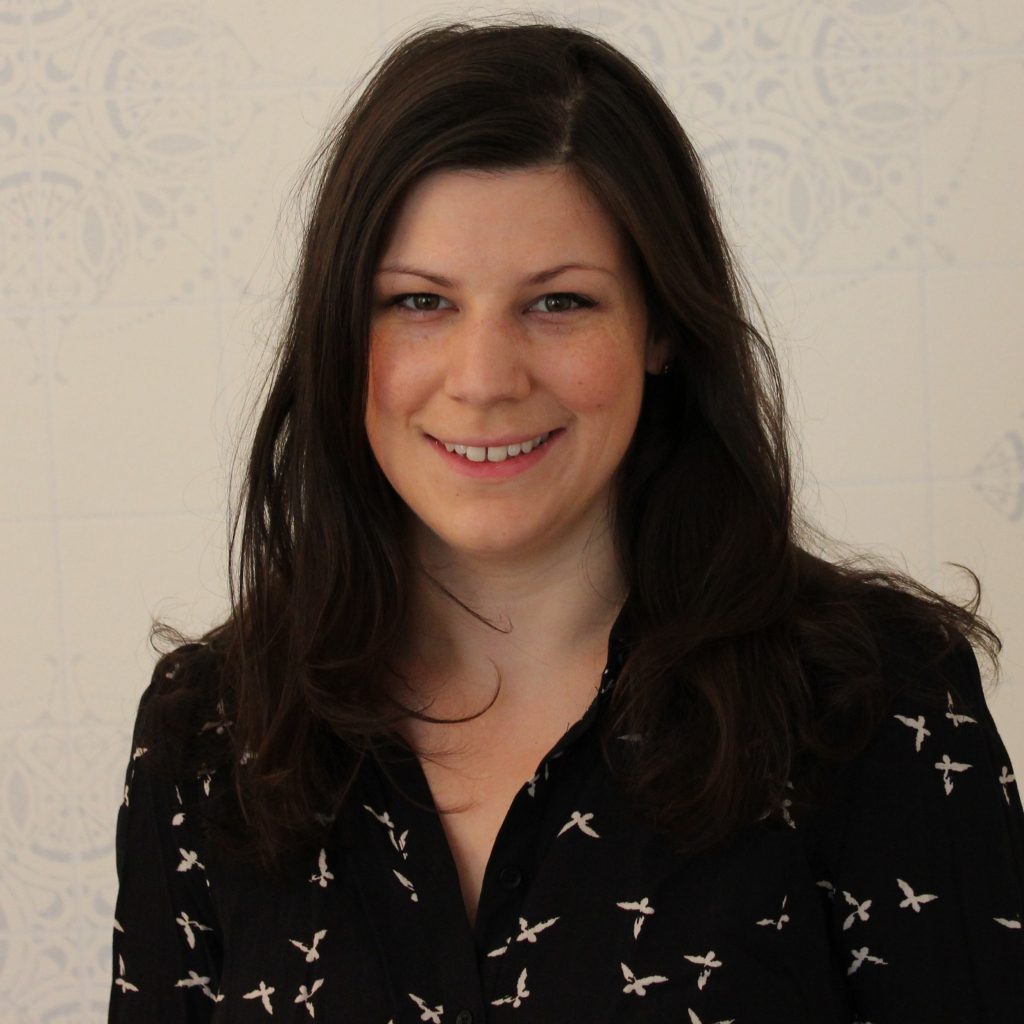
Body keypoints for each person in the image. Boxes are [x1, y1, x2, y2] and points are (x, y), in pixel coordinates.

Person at [108, 20, 1023, 1023]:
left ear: (661, 326)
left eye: (558, 304)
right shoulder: (210, 732)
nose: (484, 380)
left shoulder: (876, 710)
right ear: (339, 331)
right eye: (419, 302)